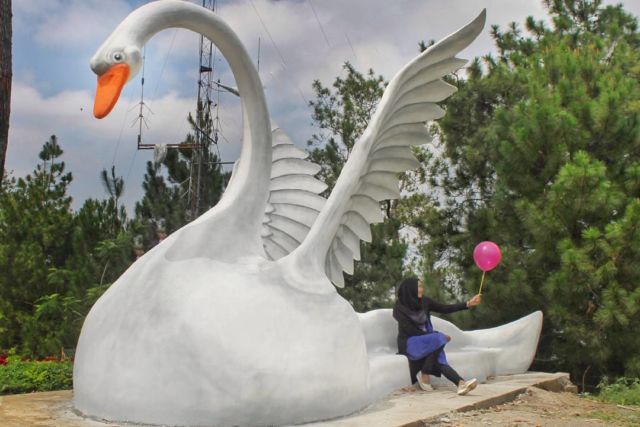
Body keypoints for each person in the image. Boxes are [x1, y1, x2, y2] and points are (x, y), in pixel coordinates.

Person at [393, 277, 482, 395]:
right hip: (410, 343)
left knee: (440, 359)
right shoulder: (399, 308)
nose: (421, 289)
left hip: (428, 341)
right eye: (419, 286)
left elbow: (444, 308)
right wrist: (435, 337)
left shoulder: (425, 302)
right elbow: (410, 330)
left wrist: (468, 304)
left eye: (421, 286)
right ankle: (424, 372)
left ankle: (460, 383)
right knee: (439, 338)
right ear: (410, 289)